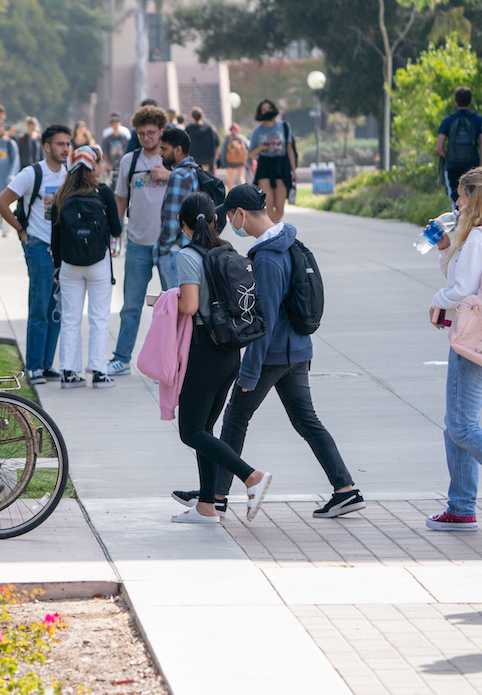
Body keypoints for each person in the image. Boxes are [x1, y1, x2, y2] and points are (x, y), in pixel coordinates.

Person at [191, 184, 363, 519]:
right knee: (306, 420)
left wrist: (249, 372)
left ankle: (217, 496)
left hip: (273, 355)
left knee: (235, 418)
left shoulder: (268, 257)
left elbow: (263, 320)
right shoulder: (289, 242)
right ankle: (346, 490)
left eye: (231, 215)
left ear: (240, 213)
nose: (231, 223)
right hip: (298, 348)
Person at [169, 192, 272, 524]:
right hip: (229, 351)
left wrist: (166, 301)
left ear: (183, 225)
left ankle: (250, 476)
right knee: (206, 430)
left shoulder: (188, 255)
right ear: (215, 220)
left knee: (190, 431)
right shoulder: (225, 249)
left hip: (203, 349)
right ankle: (206, 506)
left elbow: (188, 306)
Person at [0, 124, 73, 385]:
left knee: (56, 309)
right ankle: (35, 367)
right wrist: (21, 231)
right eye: (60, 144)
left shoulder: (69, 174)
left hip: (63, 251)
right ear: (47, 146)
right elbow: (1, 203)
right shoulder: (32, 173)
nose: (65, 149)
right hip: (38, 247)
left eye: (68, 144)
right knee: (39, 307)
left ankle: (47, 364)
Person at [427, 167, 482, 531]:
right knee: (457, 424)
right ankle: (461, 506)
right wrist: (446, 248)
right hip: (472, 334)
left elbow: (461, 289)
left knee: (460, 426)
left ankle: (461, 506)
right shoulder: (473, 237)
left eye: (462, 196)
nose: (457, 203)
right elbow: (464, 278)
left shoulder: (478, 236)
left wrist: (436, 301)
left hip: (471, 337)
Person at [105, 105, 174, 378]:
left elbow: (195, 184)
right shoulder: (129, 161)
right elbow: (120, 197)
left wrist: (170, 174)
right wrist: (115, 229)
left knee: (175, 307)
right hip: (137, 243)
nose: (147, 138)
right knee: (131, 305)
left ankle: (175, 362)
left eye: (152, 133)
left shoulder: (172, 159)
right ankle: (122, 358)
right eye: (142, 134)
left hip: (170, 245)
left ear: (161, 132)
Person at [50, 146, 122, 389]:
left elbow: (55, 238)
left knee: (70, 318)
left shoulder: (62, 194)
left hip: (69, 265)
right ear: (94, 166)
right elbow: (116, 229)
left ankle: (68, 373)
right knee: (99, 317)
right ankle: (99, 373)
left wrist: (58, 267)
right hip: (98, 263)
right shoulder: (103, 192)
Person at [155, 127, 200, 266]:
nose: (160, 153)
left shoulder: (178, 176)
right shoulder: (193, 171)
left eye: (164, 149)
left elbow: (173, 219)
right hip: (191, 248)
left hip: (175, 251)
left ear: (178, 150)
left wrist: (162, 248)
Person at [247, 99, 297, 223]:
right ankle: (270, 233)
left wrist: (294, 170)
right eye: (264, 110)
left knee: (279, 207)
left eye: (269, 108)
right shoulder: (258, 131)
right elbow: (250, 154)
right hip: (265, 165)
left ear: (274, 109)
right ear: (260, 113)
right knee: (269, 204)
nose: (267, 111)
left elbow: (290, 149)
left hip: (282, 165)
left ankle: (270, 228)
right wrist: (261, 147)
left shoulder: (284, 127)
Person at [437, 86, 482, 207]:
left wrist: (450, 157)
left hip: (453, 166)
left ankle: (459, 223)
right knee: (473, 198)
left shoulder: (448, 120)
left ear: (455, 101)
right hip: (472, 166)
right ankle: (472, 223)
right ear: (471, 100)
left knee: (456, 199)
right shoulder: (478, 119)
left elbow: (439, 147)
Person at [100, 112, 131, 187]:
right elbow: (105, 150)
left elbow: (127, 150)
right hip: (111, 165)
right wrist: (107, 163)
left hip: (121, 163)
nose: (115, 125)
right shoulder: (108, 138)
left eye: (116, 123)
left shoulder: (124, 137)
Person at [185, 107, 219, 174]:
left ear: (192, 116)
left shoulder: (188, 129)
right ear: (202, 115)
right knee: (207, 177)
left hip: (193, 158)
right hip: (207, 158)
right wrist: (215, 157)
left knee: (196, 177)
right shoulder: (209, 128)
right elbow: (216, 143)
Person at [220, 123, 250, 191]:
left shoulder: (228, 139)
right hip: (241, 161)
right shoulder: (242, 138)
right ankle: (244, 192)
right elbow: (248, 149)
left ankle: (230, 194)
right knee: (241, 178)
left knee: (230, 179)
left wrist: (223, 162)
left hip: (229, 161)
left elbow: (223, 151)